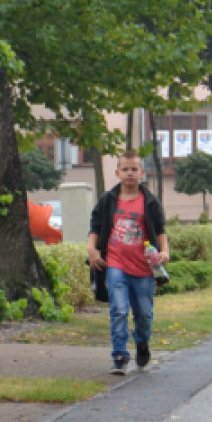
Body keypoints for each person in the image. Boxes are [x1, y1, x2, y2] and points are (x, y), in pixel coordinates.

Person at [87, 150, 169, 375]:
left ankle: (142, 342)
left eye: (134, 169)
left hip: (143, 268)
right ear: (117, 172)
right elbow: (94, 227)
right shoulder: (108, 200)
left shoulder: (150, 202)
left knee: (143, 314)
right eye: (125, 169)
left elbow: (160, 231)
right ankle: (120, 356)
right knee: (119, 310)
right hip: (115, 265)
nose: (130, 173)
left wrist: (164, 252)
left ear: (142, 172)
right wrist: (92, 250)